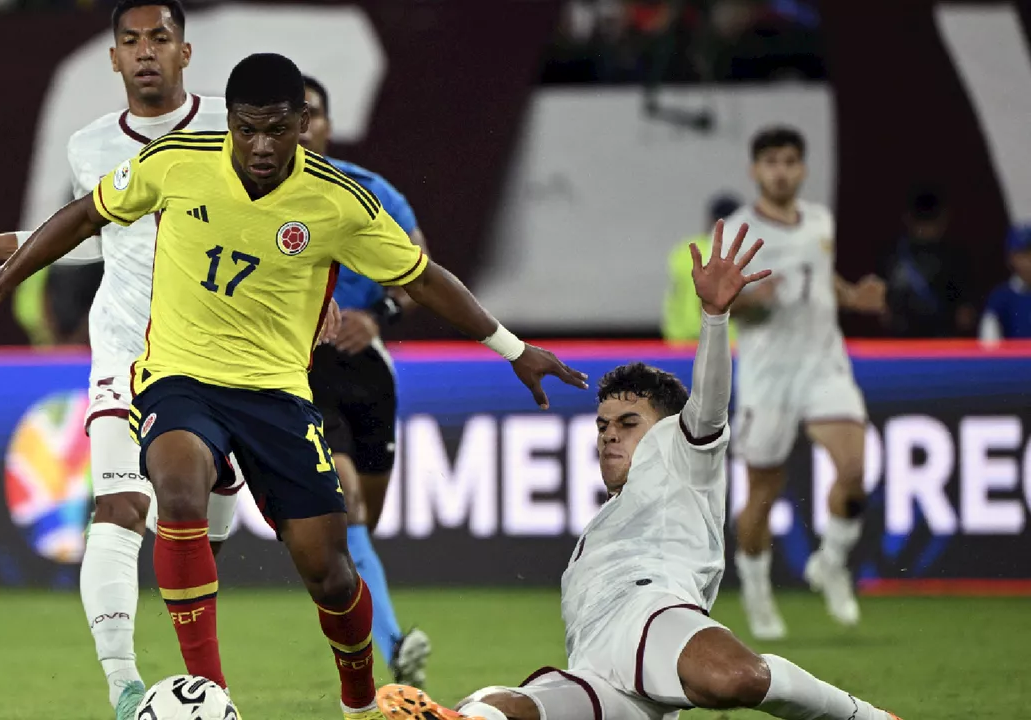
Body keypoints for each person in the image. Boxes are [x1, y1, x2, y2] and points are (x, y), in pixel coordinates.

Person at [0, 52, 587, 720]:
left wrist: (512, 349)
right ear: (229, 121)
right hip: (179, 377)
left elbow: (421, 278)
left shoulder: (337, 201)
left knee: (330, 575)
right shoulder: (177, 162)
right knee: (177, 487)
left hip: (278, 396)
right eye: (246, 128)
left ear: (301, 123)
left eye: (276, 129)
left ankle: (362, 704)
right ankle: (211, 697)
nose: (259, 145)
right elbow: (85, 216)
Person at [373, 221, 903, 720]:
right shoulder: (603, 524)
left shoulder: (682, 453)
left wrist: (714, 318)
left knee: (736, 678)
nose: (608, 433)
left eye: (628, 422)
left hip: (649, 612)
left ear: (669, 427)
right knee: (519, 706)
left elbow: (711, 405)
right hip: (598, 663)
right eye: (603, 424)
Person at [0, 2, 241, 718]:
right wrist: (8, 247)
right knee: (120, 503)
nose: (145, 53)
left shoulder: (233, 124)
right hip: (127, 347)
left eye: (159, 39)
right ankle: (124, 687)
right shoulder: (91, 145)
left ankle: (191, 656)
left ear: (185, 52)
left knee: (200, 516)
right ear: (113, 58)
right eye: (130, 42)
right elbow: (100, 229)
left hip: (223, 351)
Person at [722, 126, 887, 640]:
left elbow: (821, 276)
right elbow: (721, 303)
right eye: (771, 161)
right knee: (763, 495)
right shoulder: (738, 232)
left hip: (823, 364)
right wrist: (753, 297)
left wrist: (851, 295)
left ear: (803, 168)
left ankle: (831, 561)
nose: (781, 171)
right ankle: (756, 589)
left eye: (790, 161)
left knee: (855, 469)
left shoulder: (820, 220)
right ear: (755, 170)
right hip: (767, 377)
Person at [297, 74, 432, 687]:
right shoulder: (250, 198)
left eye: (313, 113)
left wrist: (375, 316)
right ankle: (396, 646)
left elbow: (418, 277)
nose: (303, 124)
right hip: (301, 370)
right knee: (347, 505)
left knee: (359, 525)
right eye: (289, 114)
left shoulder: (373, 194)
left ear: (329, 124)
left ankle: (357, 615)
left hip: (369, 372)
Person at [880, 186, 975, 337]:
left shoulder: (955, 257)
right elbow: (883, 309)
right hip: (902, 340)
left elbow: (965, 314)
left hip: (942, 339)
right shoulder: (894, 255)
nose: (926, 230)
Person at [661, 192, 740, 343]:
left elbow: (672, 300)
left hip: (683, 340)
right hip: (728, 342)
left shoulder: (685, 249)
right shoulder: (742, 254)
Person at [978, 224, 1031, 341]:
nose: (1029, 260)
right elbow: (989, 343)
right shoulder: (1000, 297)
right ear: (1011, 258)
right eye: (1023, 254)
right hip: (1016, 359)